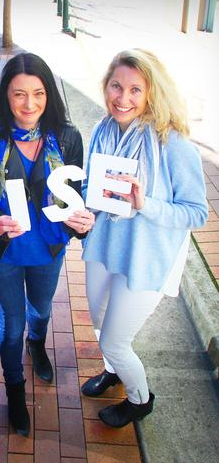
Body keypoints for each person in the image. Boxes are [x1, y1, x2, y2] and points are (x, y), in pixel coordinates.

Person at [80, 48, 208, 428]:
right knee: (100, 321)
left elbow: (196, 212)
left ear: (153, 93)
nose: (123, 98)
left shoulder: (173, 145)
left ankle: (140, 398)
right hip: (103, 247)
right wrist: (81, 206)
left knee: (115, 340)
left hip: (145, 259)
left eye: (136, 90)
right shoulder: (103, 130)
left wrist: (144, 203)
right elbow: (93, 185)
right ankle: (113, 371)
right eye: (116, 86)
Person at [0, 52, 95, 436]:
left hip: (48, 246)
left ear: (49, 94)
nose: (29, 105)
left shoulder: (67, 136)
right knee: (11, 323)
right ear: (5, 95)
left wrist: (83, 222)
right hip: (6, 249)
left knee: (40, 309)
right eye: (19, 95)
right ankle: (14, 390)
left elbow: (76, 193)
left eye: (38, 93)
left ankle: (37, 345)